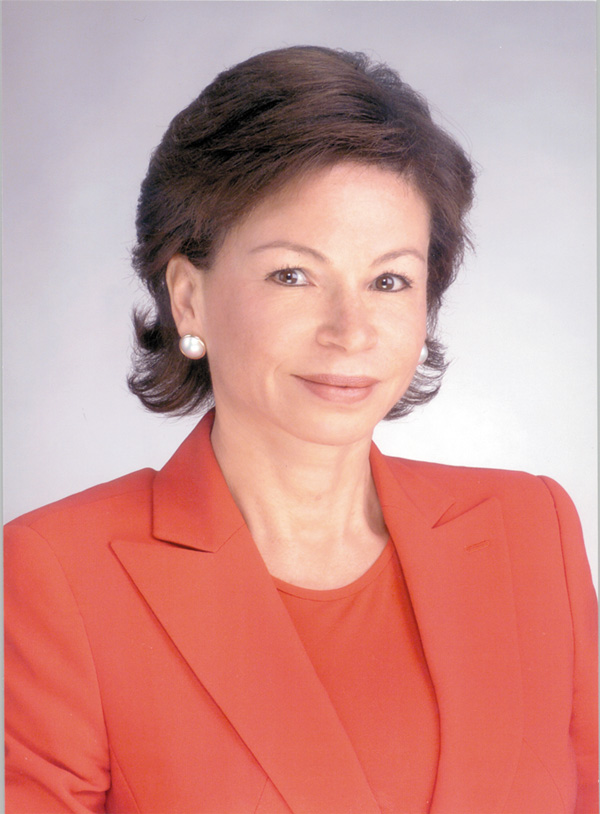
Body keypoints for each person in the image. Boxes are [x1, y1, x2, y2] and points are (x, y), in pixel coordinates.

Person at [4, 46, 597, 814]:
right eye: (293, 275)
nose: (351, 331)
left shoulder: (530, 530)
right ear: (188, 299)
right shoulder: (58, 575)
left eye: (389, 280)